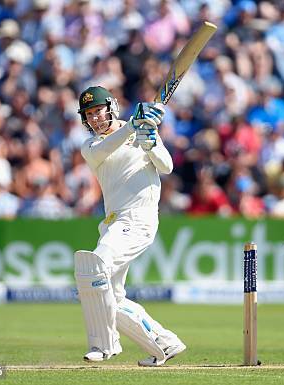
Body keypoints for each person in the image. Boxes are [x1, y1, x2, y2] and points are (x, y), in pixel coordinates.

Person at [74, 85, 185, 366]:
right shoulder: (91, 146)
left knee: (94, 266)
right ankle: (165, 342)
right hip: (113, 223)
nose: (95, 119)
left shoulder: (140, 131)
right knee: (110, 294)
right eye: (89, 115)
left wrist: (151, 143)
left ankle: (104, 344)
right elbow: (106, 149)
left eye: (98, 111)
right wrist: (133, 127)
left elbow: (167, 166)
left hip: (138, 218)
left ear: (111, 107)